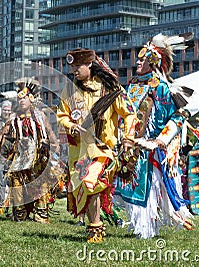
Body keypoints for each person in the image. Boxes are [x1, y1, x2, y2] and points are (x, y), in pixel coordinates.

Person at [115, 33, 194, 239]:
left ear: (153, 62)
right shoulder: (132, 86)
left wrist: (161, 140)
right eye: (139, 59)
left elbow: (177, 118)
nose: (138, 62)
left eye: (143, 59)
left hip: (151, 151)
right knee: (130, 189)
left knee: (147, 191)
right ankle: (138, 227)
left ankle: (147, 230)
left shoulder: (161, 88)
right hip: (130, 147)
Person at [57, 48, 137, 243]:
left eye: (78, 66)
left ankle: (95, 229)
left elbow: (129, 113)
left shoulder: (110, 88)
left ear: (89, 65)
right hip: (79, 151)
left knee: (91, 181)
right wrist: (71, 126)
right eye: (72, 67)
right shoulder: (70, 89)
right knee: (85, 188)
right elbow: (61, 116)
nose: (74, 70)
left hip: (103, 149)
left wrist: (128, 138)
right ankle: (96, 226)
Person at [0, 78, 60, 223]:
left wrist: (55, 145)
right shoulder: (13, 118)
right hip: (19, 157)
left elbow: (49, 132)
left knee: (40, 182)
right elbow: (2, 134)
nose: (21, 101)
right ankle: (20, 213)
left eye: (24, 98)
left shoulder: (39, 116)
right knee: (16, 183)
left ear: (31, 99)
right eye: (19, 98)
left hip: (37, 156)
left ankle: (41, 214)